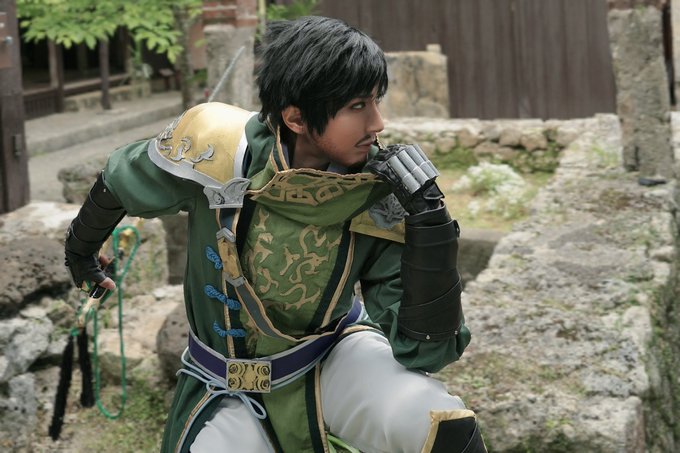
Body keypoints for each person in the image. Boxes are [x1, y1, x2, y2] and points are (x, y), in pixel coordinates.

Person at [63, 15, 487, 453]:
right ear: (296, 118)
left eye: (376, 101)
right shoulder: (219, 150)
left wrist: (432, 227)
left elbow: (424, 351)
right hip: (224, 381)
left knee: (441, 428)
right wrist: (79, 251)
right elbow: (122, 178)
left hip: (331, 356)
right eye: (358, 106)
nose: (377, 123)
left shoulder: (377, 193)